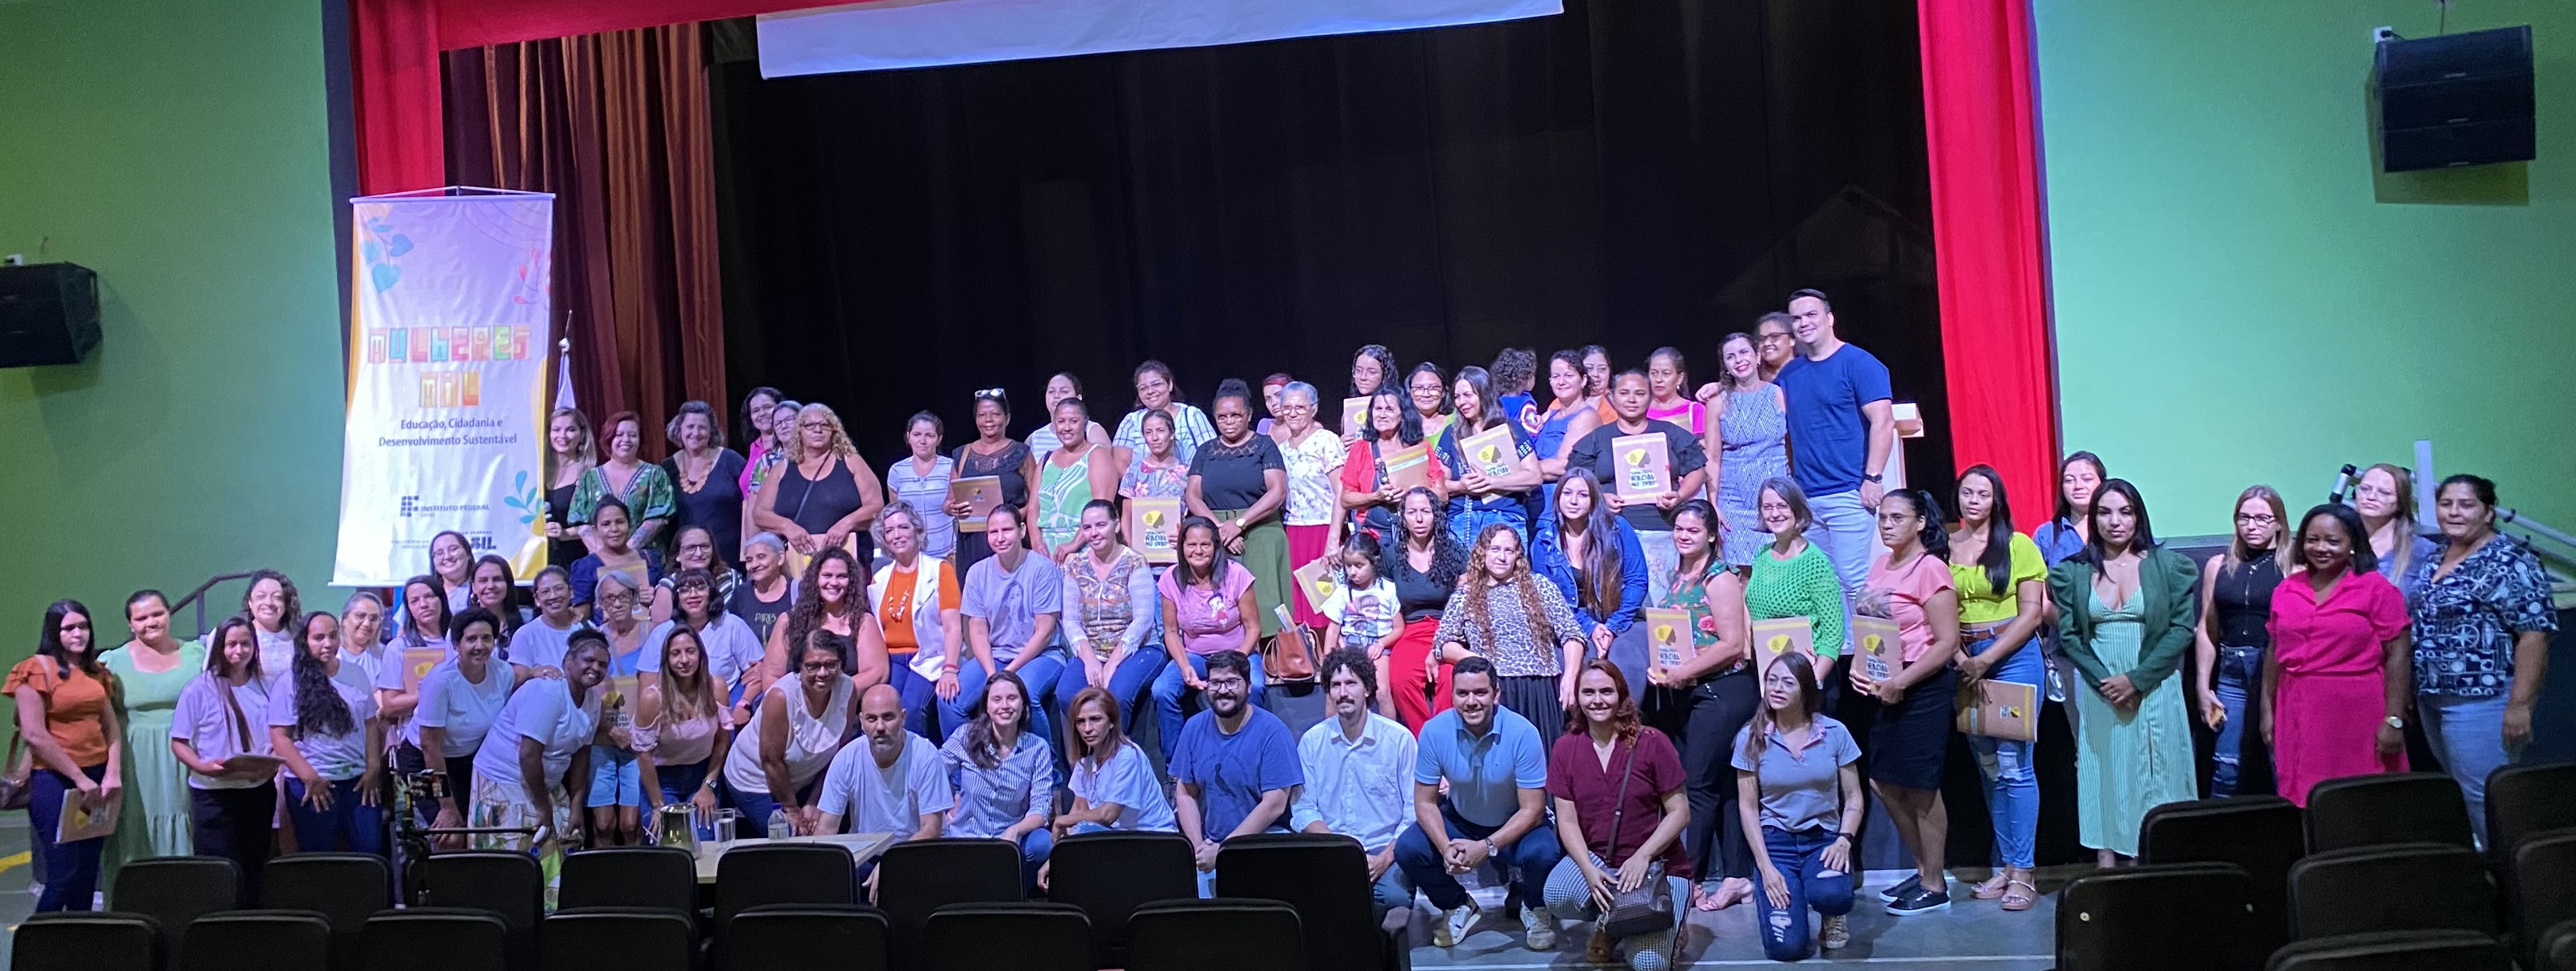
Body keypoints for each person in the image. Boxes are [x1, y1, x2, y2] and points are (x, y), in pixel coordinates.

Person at [2049, 479, 2199, 866]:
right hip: (2102, 693)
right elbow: (2071, 637)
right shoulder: (2074, 572)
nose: (2115, 521)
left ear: (2138, 516)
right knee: (2107, 773)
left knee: (2157, 775)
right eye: (2105, 512)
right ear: (2093, 518)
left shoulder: (2167, 566)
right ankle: (2107, 869)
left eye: (2125, 512)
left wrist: (2137, 680)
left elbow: (2182, 629)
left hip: (2154, 687)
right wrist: (2107, 683)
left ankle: (2155, 865)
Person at [2404, 474, 2556, 845]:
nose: (2454, 512)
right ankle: (2490, 873)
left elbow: (2534, 635)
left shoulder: (2510, 560)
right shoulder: (2436, 556)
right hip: (2434, 697)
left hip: (2483, 701)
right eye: (2446, 504)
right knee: (2463, 793)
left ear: (2488, 512)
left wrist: (2520, 705)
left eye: (2466, 505)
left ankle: (2519, 881)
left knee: (2488, 796)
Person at [1397, 656, 1566, 951]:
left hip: (1516, 822)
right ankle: (1458, 905)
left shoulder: (1523, 733)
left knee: (1544, 851)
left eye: (1480, 693)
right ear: (1452, 695)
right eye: (1462, 693)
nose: (1471, 701)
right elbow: (1424, 802)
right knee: (1408, 848)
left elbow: (1533, 809)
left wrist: (1486, 846)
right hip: (1461, 818)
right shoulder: (1434, 731)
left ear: (1496, 694)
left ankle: (1535, 908)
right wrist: (1444, 846)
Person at [1845, 489, 1960, 915]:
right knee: (1883, 781)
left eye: (1897, 517)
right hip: (1883, 686)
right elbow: (1872, 628)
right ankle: (1923, 868)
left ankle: (1935, 884)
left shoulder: (1930, 569)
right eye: (1882, 517)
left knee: (1921, 787)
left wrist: (1903, 681)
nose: (1887, 523)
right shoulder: (1881, 565)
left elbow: (1947, 642)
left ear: (1921, 523)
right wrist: (1862, 667)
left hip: (1922, 686)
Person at [1945, 467, 2050, 909]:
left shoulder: (2018, 544)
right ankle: (2006, 866)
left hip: (2013, 659)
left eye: (1983, 493)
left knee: (2014, 765)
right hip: (1964, 663)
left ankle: (2024, 874)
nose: (1973, 500)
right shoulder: (1944, 547)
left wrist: (1987, 658)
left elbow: (2032, 614)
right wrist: (1960, 658)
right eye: (1967, 492)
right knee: (1989, 767)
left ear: (1997, 500)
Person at [1647, 502, 1757, 913]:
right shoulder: (1679, 576)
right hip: (1692, 692)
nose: (1684, 535)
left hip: (1725, 691)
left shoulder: (1719, 578)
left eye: (1693, 530)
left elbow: (1732, 645)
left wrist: (1683, 672)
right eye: (1679, 529)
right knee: (1726, 787)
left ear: (1711, 535)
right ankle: (1737, 877)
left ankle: (1688, 879)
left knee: (1697, 786)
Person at [1545, 662, 1691, 971]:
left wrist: (1643, 856)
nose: (1597, 700)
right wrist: (1586, 868)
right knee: (1558, 894)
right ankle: (1612, 922)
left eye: (1606, 691)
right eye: (1588, 692)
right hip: (1601, 860)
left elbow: (1680, 813)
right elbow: (1566, 821)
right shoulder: (1565, 748)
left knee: (1649, 966)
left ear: (1621, 695)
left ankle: (1670, 920)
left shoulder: (1652, 742)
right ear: (1577, 697)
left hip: (1657, 866)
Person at [2265, 504, 2412, 806]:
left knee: (2360, 798)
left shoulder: (2376, 589)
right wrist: (2267, 711)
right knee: (2304, 796)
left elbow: (2399, 654)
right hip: (2296, 706)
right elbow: (2274, 652)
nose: (2321, 548)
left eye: (2333, 541)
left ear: (2353, 543)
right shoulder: (2287, 589)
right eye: (2313, 539)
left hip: (2357, 711)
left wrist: (2394, 719)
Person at [1733, 652, 1864, 960]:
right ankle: (1793, 900)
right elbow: (1748, 808)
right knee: (1787, 949)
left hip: (1823, 838)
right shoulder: (1751, 737)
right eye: (1771, 680)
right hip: (1776, 843)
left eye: (1787, 682)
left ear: (1806, 689)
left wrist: (1844, 841)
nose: (1777, 688)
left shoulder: (1834, 732)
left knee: (1832, 896)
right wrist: (1766, 869)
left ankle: (1831, 914)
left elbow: (1855, 797)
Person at [469, 630, 609, 901]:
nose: (596, 668)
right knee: (524, 853)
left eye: (603, 664)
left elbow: (582, 751)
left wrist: (577, 802)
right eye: (589, 660)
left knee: (568, 837)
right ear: (568, 661)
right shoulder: (547, 692)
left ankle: (553, 917)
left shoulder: (592, 700)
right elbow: (529, 755)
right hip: (505, 780)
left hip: (547, 780)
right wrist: (543, 808)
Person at [1774, 290, 1896, 601]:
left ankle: (1870, 650)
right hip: (1806, 497)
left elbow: (1883, 421)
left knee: (1853, 580)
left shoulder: (1859, 363)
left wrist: (1872, 479)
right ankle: (1837, 650)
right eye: (1797, 318)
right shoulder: (1789, 374)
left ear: (1829, 319)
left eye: (1811, 315)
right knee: (1820, 585)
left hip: (1849, 492)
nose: (1804, 323)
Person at [1290, 650, 1418, 919]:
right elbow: (1303, 809)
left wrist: (1384, 859)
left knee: (1391, 900)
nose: (1343, 693)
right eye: (1335, 685)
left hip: (1384, 851)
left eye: (1351, 683)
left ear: (1368, 689)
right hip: (1331, 850)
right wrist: (1341, 851)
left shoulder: (1399, 740)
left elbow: (1414, 811)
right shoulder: (1312, 742)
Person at [13, 601, 122, 911]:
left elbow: (110, 725)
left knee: (88, 872)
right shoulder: (33, 670)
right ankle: (38, 945)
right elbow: (35, 734)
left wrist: (112, 772)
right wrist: (79, 778)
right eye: (69, 628)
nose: (78, 634)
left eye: (83, 626)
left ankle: (79, 942)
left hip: (98, 777)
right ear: (54, 632)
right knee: (63, 872)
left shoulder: (96, 672)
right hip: (53, 779)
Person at [1435, 524, 1589, 745]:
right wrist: (1477, 661)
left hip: (1540, 689)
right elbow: (1443, 643)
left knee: (1542, 760)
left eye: (1509, 551)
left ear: (1518, 555)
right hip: (1493, 690)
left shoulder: (1540, 587)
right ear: (1483, 552)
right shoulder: (1465, 595)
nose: (1502, 557)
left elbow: (1572, 633)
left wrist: (1570, 677)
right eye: (1495, 549)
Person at [1567, 371, 1709, 603]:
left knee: (1665, 605)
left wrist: (1681, 495)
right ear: (1611, 397)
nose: (1632, 399)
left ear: (1651, 397)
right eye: (1624, 393)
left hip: (1663, 531)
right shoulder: (1597, 439)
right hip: (1614, 533)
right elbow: (1575, 478)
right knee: (1624, 605)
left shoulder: (1670, 433)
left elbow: (1698, 470)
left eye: (1640, 393)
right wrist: (1600, 497)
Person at [1171, 650, 1302, 894]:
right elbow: (1186, 793)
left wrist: (1224, 851)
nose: (1223, 690)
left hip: (1263, 842)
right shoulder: (1194, 728)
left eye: (1232, 682)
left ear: (1249, 686)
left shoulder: (1272, 732)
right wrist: (1198, 849)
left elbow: (1275, 804)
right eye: (1215, 683)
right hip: (1211, 844)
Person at [99, 590, 203, 887]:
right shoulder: (112, 662)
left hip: (185, 754)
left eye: (157, 614)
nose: (151, 622)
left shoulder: (196, 654)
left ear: (169, 614)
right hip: (135, 759)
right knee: (136, 824)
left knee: (185, 818)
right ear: (131, 624)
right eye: (141, 618)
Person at [2193, 485, 2290, 799]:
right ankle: (2221, 839)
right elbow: (2207, 630)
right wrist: (2203, 686)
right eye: (2245, 518)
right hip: (2231, 670)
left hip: (2276, 670)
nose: (2252, 525)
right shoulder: (2218, 565)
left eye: (2262, 518)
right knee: (2226, 765)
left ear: (2278, 522)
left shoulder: (2293, 567)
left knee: (2281, 759)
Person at [169, 616, 275, 894]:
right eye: (231, 645)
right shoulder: (198, 689)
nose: (238, 651)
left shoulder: (265, 686)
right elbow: (179, 741)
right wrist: (202, 766)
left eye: (245, 644)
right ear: (219, 648)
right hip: (214, 794)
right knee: (218, 869)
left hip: (257, 791)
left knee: (255, 866)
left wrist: (272, 763)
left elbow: (278, 735)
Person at [267, 612, 384, 856]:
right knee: (320, 857)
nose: (328, 643)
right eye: (319, 638)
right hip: (312, 784)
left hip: (359, 782)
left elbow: (371, 723)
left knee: (369, 851)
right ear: (305, 641)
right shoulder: (288, 683)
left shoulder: (356, 674)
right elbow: (280, 737)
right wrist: (311, 778)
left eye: (333, 636)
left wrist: (373, 767)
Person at [1187, 379, 1292, 648]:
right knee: (1222, 600)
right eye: (1222, 417)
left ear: (1248, 415)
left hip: (1260, 526)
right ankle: (1228, 656)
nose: (1229, 422)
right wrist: (1220, 531)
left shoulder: (1264, 446)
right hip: (1216, 528)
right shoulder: (1206, 451)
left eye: (1235, 415)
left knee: (1265, 600)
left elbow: (1277, 491)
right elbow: (1193, 496)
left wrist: (1239, 524)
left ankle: (1275, 662)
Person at [950, 506, 1066, 744]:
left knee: (1025, 695)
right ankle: (967, 770)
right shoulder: (977, 572)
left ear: (1022, 530)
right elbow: (977, 630)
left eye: (1007, 530)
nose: (1000, 538)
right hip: (996, 656)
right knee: (950, 701)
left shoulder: (1042, 569)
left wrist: (1008, 673)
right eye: (994, 532)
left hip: (1042, 655)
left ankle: (1049, 771)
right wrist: (993, 673)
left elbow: (1044, 632)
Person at [1153, 517, 1267, 758]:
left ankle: (1251, 754)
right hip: (1195, 654)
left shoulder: (1236, 575)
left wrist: (1234, 663)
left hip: (1238, 652)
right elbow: (1171, 632)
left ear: (1216, 546)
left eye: (1205, 545)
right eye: (1191, 545)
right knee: (1162, 690)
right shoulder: (1170, 579)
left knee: (1254, 687)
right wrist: (1185, 667)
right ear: (1181, 547)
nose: (1198, 551)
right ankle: (1177, 766)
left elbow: (1253, 628)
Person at [727, 629, 862, 831]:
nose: (823, 673)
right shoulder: (781, 697)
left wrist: (815, 801)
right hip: (756, 781)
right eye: (813, 666)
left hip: (805, 780)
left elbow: (839, 754)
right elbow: (771, 762)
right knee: (791, 838)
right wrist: (791, 809)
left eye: (831, 665)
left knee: (830, 829)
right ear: (800, 667)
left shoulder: (848, 690)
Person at [1055, 500, 1166, 735]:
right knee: (1066, 694)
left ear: (1116, 526)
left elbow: (1144, 620)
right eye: (1087, 528)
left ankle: (1117, 758)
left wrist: (1113, 663)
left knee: (1116, 696)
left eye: (1101, 525)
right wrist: (1090, 660)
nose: (1094, 533)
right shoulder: (1075, 564)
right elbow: (1072, 622)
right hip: (1092, 650)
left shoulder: (1135, 562)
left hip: (1140, 648)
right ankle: (1085, 760)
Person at [1532, 469, 1647, 691]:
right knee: (1581, 664)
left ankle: (1625, 722)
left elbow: (1637, 581)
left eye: (1583, 495)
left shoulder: (1618, 528)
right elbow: (1548, 599)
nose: (1573, 501)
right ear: (1557, 498)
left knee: (1625, 662)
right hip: (1571, 620)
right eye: (1567, 493)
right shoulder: (1544, 541)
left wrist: (1612, 626)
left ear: (1594, 500)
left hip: (1620, 615)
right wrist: (1591, 627)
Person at [939, 671, 1055, 889]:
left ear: (1023, 705)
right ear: (987, 706)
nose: (1005, 706)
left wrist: (1015, 831)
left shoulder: (1037, 748)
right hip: (967, 838)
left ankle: (1018, 892)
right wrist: (944, 808)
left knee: (1043, 843)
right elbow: (932, 773)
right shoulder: (966, 735)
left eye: (1012, 698)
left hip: (1010, 840)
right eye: (997, 699)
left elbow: (1040, 809)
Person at [415, 608, 523, 837]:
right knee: (450, 836)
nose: (480, 646)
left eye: (487, 638)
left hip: (469, 762)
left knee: (478, 831)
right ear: (456, 645)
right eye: (471, 639)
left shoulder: (503, 672)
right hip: (425, 764)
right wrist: (446, 804)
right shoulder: (439, 682)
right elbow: (429, 747)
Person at [815, 684, 950, 860]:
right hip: (867, 855)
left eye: (888, 717)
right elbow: (827, 828)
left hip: (918, 852)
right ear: (862, 722)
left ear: (903, 718)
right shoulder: (846, 758)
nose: (880, 727)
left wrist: (890, 863)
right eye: (872, 719)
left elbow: (931, 830)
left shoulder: (926, 755)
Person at [1694, 332, 1791, 567]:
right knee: (1743, 573)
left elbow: (1792, 447)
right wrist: (1714, 504)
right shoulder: (1718, 403)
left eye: (1744, 352)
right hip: (1735, 502)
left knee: (1780, 568)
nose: (1739, 360)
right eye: (1731, 357)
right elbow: (1713, 459)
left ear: (1757, 356)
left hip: (1777, 497)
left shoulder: (1778, 394)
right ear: (1725, 365)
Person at [754, 402, 887, 573]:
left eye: (825, 425)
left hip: (849, 561)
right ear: (799, 430)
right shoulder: (782, 469)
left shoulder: (850, 461)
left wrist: (846, 524)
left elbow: (875, 505)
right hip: (796, 565)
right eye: (810, 425)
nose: (818, 430)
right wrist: (788, 527)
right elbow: (760, 514)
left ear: (834, 430)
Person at [1745, 478, 1851, 688]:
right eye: (1768, 507)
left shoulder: (1815, 562)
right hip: (1770, 674)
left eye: (1783, 506)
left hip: (1808, 678)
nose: (1775, 514)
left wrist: (1813, 682)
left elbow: (1833, 635)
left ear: (1798, 510)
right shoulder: (1762, 555)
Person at [872, 501, 963, 736]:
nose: (896, 535)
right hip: (891, 660)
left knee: (910, 708)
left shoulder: (939, 570)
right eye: (889, 531)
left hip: (929, 657)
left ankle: (920, 767)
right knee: (883, 709)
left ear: (917, 530)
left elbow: (953, 627)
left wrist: (950, 669)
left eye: (903, 527)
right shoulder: (879, 579)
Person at [1381, 488, 1466, 730]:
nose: (1419, 519)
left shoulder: (1453, 552)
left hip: (1448, 632)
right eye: (1412, 512)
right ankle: (1426, 741)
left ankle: (1446, 740)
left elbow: (1466, 599)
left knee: (1450, 679)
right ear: (1403, 518)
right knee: (1401, 679)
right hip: (1408, 631)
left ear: (1435, 515)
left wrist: (1445, 642)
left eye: (1426, 512)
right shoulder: (1391, 556)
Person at [634, 625, 733, 831]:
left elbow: (722, 741)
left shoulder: (717, 688)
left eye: (690, 651)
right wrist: (657, 805)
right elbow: (643, 755)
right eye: (676, 654)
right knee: (669, 847)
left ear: (700, 654)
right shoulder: (653, 698)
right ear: (667, 660)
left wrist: (708, 786)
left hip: (702, 774)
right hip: (662, 781)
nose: (685, 660)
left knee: (705, 844)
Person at [759, 547, 890, 699]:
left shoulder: (863, 621)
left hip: (845, 707)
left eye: (841, 576)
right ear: (815, 579)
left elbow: (877, 673)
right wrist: (802, 699)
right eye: (827, 576)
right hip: (796, 707)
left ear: (851, 581)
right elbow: (771, 676)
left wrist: (828, 695)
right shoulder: (788, 621)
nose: (833, 582)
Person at [641, 569, 764, 728]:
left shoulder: (732, 624)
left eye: (700, 587)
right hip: (674, 712)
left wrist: (744, 703)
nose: (693, 595)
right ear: (677, 597)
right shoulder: (662, 633)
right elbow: (647, 683)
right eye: (684, 590)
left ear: (712, 592)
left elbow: (758, 671)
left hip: (722, 707)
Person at [1437, 366, 1543, 547]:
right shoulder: (1451, 433)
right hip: (1463, 518)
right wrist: (1461, 486)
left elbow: (1534, 476)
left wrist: (1490, 482)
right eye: (1457, 397)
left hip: (1505, 515)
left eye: (1468, 395)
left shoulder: (1511, 429)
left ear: (1484, 393)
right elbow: (1439, 483)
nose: (1462, 402)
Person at [582, 573, 652, 845]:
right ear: (600, 603)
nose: (617, 603)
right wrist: (610, 730)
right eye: (609, 598)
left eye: (624, 596)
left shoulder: (652, 632)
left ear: (635, 598)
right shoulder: (592, 639)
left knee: (631, 823)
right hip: (602, 738)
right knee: (602, 824)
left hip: (640, 742)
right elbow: (584, 691)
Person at [1053, 687, 1177, 835]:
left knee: (1082, 832)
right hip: (1117, 836)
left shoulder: (1128, 755)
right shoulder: (1084, 763)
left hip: (1153, 836)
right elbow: (1079, 810)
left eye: (1095, 719)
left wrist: (1063, 820)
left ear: (1111, 722)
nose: (1087, 728)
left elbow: (1108, 815)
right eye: (1080, 722)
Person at [1272, 381, 1345, 627]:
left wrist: (1333, 540)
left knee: (1326, 605)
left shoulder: (1326, 441)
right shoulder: (1280, 450)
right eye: (1287, 407)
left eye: (1300, 407)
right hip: (1293, 532)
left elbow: (1342, 492)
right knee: (1299, 607)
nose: (1293, 413)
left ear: (1313, 409)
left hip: (1323, 530)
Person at [1340, 386, 1450, 544]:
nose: (1382, 415)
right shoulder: (1360, 449)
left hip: (1415, 537)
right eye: (1378, 409)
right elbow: (1346, 499)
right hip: (1374, 536)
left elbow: (1443, 495)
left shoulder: (1420, 448)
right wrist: (1376, 496)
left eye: (1390, 409)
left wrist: (1411, 493)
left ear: (1403, 415)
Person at [950, 390, 1039, 575]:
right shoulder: (962, 454)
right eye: (982, 415)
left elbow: (1036, 500)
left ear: (1007, 418)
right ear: (976, 419)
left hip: (1009, 539)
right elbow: (948, 502)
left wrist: (1012, 518)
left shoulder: (1021, 453)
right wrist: (953, 508)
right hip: (972, 541)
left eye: (995, 414)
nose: (988, 420)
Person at [1318, 532, 1403, 719]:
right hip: (1350, 647)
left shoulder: (1388, 590)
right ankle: (1331, 733)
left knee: (1382, 691)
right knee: (1332, 693)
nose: (1352, 572)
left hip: (1378, 649)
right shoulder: (1342, 593)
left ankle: (1390, 735)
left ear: (1373, 563)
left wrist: (1381, 644)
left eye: (1359, 566)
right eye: (1348, 566)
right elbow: (1333, 629)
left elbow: (1399, 628)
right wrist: (1328, 659)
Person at [570, 410, 677, 555]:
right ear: (609, 439)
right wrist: (606, 554)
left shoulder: (655, 474)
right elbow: (581, 523)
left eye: (633, 435)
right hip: (602, 562)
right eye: (619, 435)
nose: (626, 440)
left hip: (643, 560)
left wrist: (625, 554)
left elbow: (658, 519)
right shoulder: (589, 477)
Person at [662, 400, 748, 569]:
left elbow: (751, 506)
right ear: (680, 429)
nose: (696, 433)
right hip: (684, 565)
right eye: (690, 426)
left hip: (729, 560)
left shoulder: (731, 461)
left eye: (702, 427)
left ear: (712, 431)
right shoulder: (666, 468)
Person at [1035, 397, 1123, 562]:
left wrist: (1074, 543)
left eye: (1074, 421)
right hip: (1045, 553)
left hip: (1084, 549)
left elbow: (1102, 508)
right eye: (1061, 421)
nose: (1067, 427)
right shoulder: (1046, 460)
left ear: (1085, 422)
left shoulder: (1096, 455)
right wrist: (1036, 542)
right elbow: (1034, 507)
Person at [568, 497, 664, 616]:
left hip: (649, 630)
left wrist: (658, 597)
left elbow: (665, 601)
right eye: (606, 524)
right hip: (604, 632)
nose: (614, 529)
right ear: (596, 530)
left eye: (620, 522)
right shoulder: (586, 566)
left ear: (629, 525)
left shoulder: (650, 558)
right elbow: (581, 615)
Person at [885, 411, 960, 560]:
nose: (923, 441)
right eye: (917, 434)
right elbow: (895, 514)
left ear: (939, 439)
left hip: (946, 555)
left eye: (930, 436)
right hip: (911, 556)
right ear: (908, 436)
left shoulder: (951, 467)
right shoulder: (897, 471)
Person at [2353, 463, 2438, 591]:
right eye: (2365, 489)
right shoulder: (2340, 543)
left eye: (2384, 493)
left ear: (2400, 502)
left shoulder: (2423, 552)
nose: (2371, 497)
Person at [1114, 360, 1218, 464]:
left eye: (1156, 385)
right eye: (1143, 388)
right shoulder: (1131, 422)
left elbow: (1213, 455)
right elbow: (1120, 464)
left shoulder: (1191, 415)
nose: (1150, 391)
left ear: (1170, 385)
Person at [1535, 350, 1605, 487]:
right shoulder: (1548, 415)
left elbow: (1563, 465)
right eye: (1556, 377)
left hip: (1561, 498)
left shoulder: (1587, 417)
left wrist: (1522, 470)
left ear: (1583, 380)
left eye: (1569, 375)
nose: (1561, 382)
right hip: (1534, 498)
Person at [648, 525, 739, 627]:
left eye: (705, 547)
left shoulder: (730, 578)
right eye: (691, 548)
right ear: (678, 554)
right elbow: (660, 634)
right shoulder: (668, 587)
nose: (699, 553)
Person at [2033, 451, 2107, 567]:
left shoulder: (2115, 527)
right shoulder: (2046, 534)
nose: (2078, 486)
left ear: (2103, 483)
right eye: (2069, 480)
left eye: (2087, 479)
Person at [547, 407, 600, 567]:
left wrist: (565, 534)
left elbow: (597, 524)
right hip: (532, 560)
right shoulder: (535, 469)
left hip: (573, 559)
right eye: (556, 430)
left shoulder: (589, 474)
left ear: (582, 434)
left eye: (570, 430)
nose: (562, 436)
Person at [236, 569, 305, 689]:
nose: (268, 603)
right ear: (250, 603)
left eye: (277, 597)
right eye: (261, 597)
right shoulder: (233, 635)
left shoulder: (298, 638)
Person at [728, 533, 796, 649]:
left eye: (761, 557)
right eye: (749, 560)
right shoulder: (741, 594)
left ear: (780, 558)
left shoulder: (797, 590)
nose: (754, 565)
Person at [509, 568, 585, 671]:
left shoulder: (585, 628)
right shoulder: (525, 635)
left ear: (571, 592)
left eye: (559, 589)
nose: (553, 596)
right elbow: (517, 679)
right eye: (545, 592)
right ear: (537, 599)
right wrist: (532, 672)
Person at [1119, 408, 1193, 513]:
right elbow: (1127, 517)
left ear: (1172, 434)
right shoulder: (1133, 471)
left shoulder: (1187, 472)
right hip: (1141, 529)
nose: (1155, 438)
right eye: (1149, 432)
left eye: (1160, 431)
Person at [1027, 372, 1112, 456]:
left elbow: (1106, 465)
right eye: (1051, 391)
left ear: (1078, 398)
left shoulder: (1092, 431)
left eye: (1064, 391)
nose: (1056, 395)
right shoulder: (1034, 438)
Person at [1643, 346, 1705, 438]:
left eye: (1666, 373)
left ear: (1679, 378)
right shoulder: (1641, 412)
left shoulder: (1695, 411)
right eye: (1654, 373)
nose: (1659, 379)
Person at [468, 555, 529, 645]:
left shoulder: (528, 619)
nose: (491, 586)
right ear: (474, 587)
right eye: (483, 581)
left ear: (508, 584)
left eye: (497, 580)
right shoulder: (461, 625)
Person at [1347, 344, 1401, 438]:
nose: (1363, 377)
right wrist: (1341, 443)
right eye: (1358, 371)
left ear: (1385, 375)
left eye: (1371, 372)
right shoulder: (1350, 408)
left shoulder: (1399, 406)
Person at [1491, 348, 1543, 436]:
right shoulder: (1523, 401)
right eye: (1532, 375)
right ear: (1522, 378)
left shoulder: (1498, 402)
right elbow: (1530, 433)